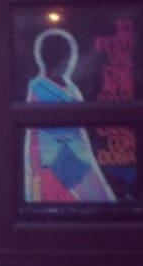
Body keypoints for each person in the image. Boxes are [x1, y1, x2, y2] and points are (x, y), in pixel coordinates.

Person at [24, 28, 116, 202]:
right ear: (62, 59)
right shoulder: (39, 88)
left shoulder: (71, 88)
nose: (71, 61)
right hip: (58, 157)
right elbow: (35, 134)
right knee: (98, 200)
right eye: (69, 56)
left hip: (73, 154)